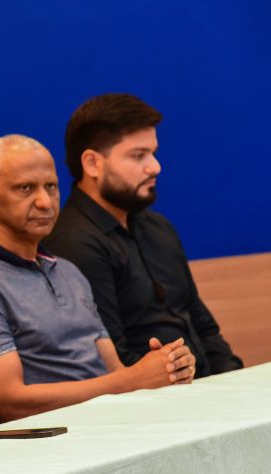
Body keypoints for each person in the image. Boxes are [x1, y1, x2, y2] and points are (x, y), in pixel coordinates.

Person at [0, 135, 195, 422]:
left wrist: (165, 367)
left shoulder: (68, 272)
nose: (45, 201)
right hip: (40, 447)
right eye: (25, 188)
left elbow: (114, 370)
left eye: (51, 186)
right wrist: (131, 382)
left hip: (110, 426)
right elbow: (6, 401)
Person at [45, 94, 243, 377]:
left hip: (202, 391)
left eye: (153, 152)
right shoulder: (73, 243)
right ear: (91, 164)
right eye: (138, 156)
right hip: (153, 403)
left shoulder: (158, 228)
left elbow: (204, 328)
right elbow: (110, 359)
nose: (155, 167)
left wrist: (232, 381)